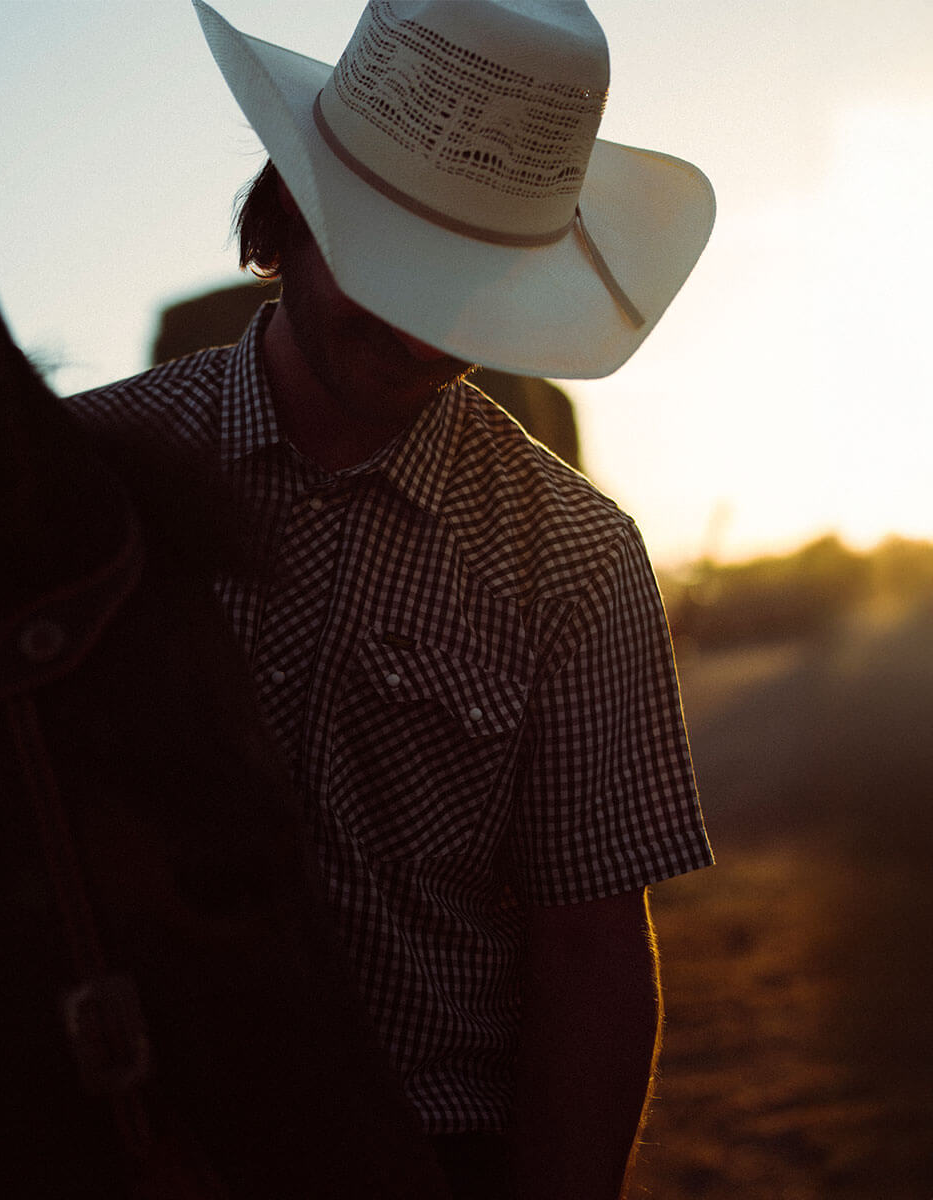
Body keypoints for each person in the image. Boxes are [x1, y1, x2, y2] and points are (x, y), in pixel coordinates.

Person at [71, 2, 715, 1196]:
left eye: (466, 287)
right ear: (289, 211)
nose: (420, 328)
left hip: (429, 1157)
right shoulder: (86, 475)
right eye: (389, 264)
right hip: (111, 1150)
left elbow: (590, 953)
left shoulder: (575, 558)